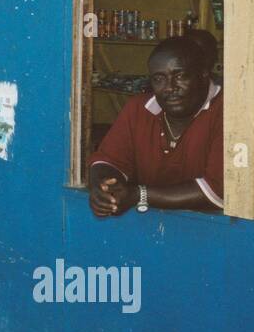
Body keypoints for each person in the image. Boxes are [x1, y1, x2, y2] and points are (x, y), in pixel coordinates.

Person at [88, 35, 223, 217]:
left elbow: (217, 191)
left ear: (203, 74)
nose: (169, 87)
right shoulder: (139, 108)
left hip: (214, 233)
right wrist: (104, 188)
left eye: (180, 76)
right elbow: (108, 160)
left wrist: (138, 195)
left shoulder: (228, 112)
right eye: (159, 79)